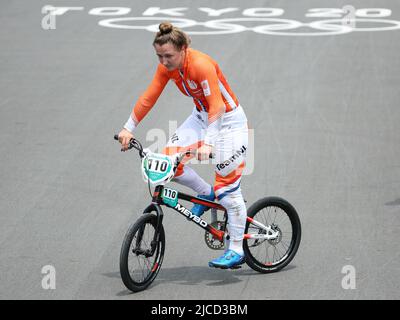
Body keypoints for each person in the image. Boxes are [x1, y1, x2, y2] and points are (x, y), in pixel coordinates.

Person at [117, 22, 249, 269]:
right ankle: (205, 193)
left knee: (228, 193)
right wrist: (128, 128)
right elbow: (149, 96)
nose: (164, 61)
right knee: (167, 164)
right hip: (201, 117)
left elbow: (217, 106)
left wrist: (208, 144)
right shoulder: (168, 68)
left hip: (228, 123)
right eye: (159, 56)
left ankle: (236, 249)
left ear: (184, 49)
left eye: (168, 56)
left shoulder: (200, 65)